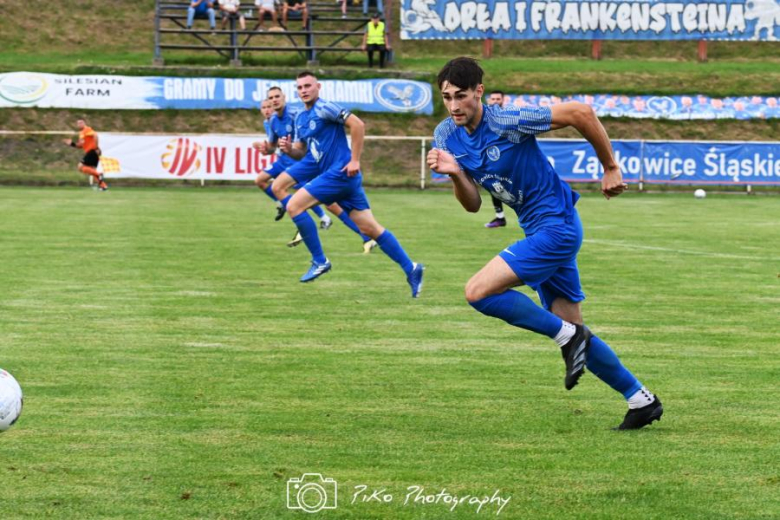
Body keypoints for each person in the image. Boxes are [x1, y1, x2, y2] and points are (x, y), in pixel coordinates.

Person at [427, 57, 662, 430]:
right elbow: (472, 204)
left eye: (461, 96)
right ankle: (640, 399)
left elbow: (580, 112)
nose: (454, 106)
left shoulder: (505, 120)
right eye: (446, 97)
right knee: (572, 326)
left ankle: (567, 337)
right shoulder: (446, 136)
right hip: (537, 230)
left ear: (479, 92)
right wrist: (455, 173)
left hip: (557, 227)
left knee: (478, 292)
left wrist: (610, 167)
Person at [278, 71, 424, 292]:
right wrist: (290, 149)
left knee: (294, 205)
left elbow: (358, 124)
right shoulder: (300, 117)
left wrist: (355, 159)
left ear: (318, 86)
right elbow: (302, 151)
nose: (304, 90)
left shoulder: (326, 107)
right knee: (370, 228)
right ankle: (411, 267)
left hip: (340, 172)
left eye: (308, 85)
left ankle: (320, 261)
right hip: (341, 178)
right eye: (299, 87)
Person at [255, 87, 377, 252]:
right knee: (272, 184)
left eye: (277, 96)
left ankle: (364, 236)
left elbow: (303, 144)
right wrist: (266, 149)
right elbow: (272, 147)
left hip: (310, 160)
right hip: (292, 160)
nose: (274, 100)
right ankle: (301, 220)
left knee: (331, 204)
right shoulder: (272, 121)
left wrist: (294, 148)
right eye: (271, 98)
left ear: (284, 97)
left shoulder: (296, 113)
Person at [62, 119, 108, 191]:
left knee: (80, 166)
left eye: (81, 122)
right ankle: (103, 186)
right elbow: (80, 145)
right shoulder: (81, 133)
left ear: (84, 123)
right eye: (78, 123)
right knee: (91, 170)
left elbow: (95, 135)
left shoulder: (87, 129)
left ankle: (99, 174)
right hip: (91, 151)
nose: (79, 124)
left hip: (93, 151)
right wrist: (72, 144)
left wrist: (96, 148)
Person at [484, 90, 507, 229]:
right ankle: (500, 218)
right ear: (489, 100)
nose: (495, 101)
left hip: (509, 158)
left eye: (498, 98)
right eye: (493, 99)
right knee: (494, 186)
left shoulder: (509, 116)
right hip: (493, 158)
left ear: (503, 100)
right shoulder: (484, 117)